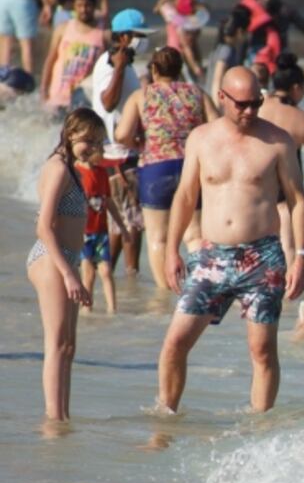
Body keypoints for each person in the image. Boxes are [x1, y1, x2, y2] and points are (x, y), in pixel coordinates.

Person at [158, 67, 304, 413]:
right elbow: (184, 197)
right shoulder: (200, 138)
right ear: (222, 97)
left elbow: (298, 200)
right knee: (174, 344)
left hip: (263, 258)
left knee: (262, 350)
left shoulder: (277, 141)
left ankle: (259, 428)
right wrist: (171, 251)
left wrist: (300, 256)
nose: (250, 111)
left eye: (256, 102)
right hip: (211, 256)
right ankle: (165, 421)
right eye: (242, 104)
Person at [116, 46, 218, 289]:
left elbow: (121, 134)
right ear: (180, 69)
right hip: (191, 167)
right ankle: (198, 288)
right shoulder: (197, 93)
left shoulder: (142, 96)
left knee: (158, 238)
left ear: (153, 69)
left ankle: (165, 294)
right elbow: (217, 127)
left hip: (155, 168)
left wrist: (138, 143)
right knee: (193, 234)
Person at [26, 108, 102, 421]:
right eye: (87, 140)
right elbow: (43, 226)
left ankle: (63, 417)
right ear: (70, 133)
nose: (92, 147)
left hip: (66, 259)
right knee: (56, 344)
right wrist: (69, 275)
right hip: (50, 258)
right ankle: (53, 421)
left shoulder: (71, 167)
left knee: (68, 346)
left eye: (97, 141)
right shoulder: (57, 167)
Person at [258, 52, 304, 266]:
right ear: (296, 88)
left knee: (252, 241)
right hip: (286, 184)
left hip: (255, 179)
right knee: (288, 245)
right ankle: (289, 295)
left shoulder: (257, 107)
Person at [91, 8, 154, 144]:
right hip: (112, 150)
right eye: (141, 35)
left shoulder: (126, 64)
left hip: (125, 147)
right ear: (124, 37)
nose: (145, 40)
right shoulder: (110, 63)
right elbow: (108, 104)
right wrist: (119, 68)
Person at [39, 0, 104, 114]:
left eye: (88, 5)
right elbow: (50, 60)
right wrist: (43, 90)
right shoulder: (63, 29)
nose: (83, 9)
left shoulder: (102, 35)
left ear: (94, 6)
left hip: (83, 99)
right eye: (79, 5)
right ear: (73, 6)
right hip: (57, 97)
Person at [76, 151, 126, 313]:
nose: (102, 153)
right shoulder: (76, 172)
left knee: (106, 271)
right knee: (88, 275)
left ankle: (113, 311)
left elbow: (109, 201)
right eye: (98, 149)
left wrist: (122, 227)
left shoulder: (102, 173)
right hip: (83, 233)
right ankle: (86, 310)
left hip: (101, 232)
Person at [154, 0, 207, 82]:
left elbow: (203, 13)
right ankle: (197, 69)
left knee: (191, 54)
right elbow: (158, 9)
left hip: (189, 41)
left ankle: (197, 69)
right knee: (179, 74)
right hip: (176, 43)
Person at [0, 0, 51, 74]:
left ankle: (3, 77)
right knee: (26, 44)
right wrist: (46, 4)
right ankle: (28, 79)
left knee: (5, 42)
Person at [204, 4, 249, 108]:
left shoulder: (220, 47)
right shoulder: (226, 51)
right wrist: (217, 107)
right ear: (240, 32)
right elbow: (217, 80)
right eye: (246, 32)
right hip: (216, 103)